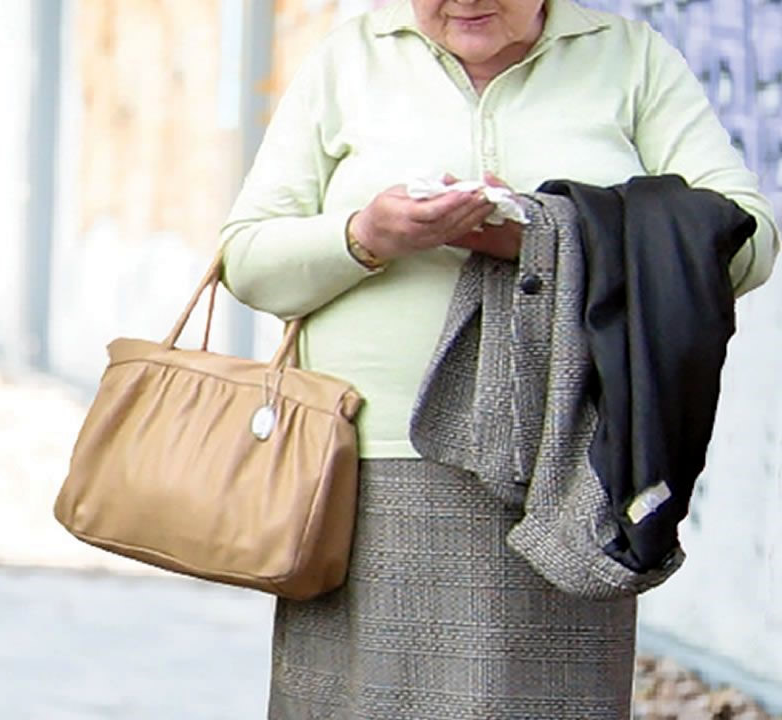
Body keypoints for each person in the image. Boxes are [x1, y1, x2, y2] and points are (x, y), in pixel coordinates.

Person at [219, 0, 778, 718]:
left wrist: (553, 235)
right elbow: (249, 264)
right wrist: (368, 236)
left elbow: (746, 238)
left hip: (571, 475)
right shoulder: (351, 56)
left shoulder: (629, 58)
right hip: (362, 468)